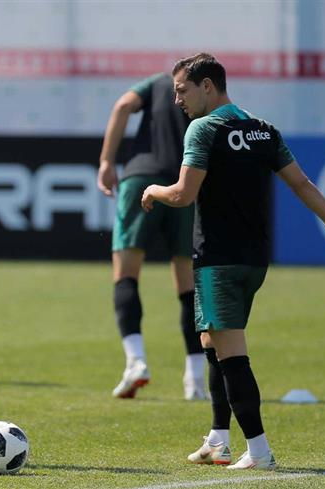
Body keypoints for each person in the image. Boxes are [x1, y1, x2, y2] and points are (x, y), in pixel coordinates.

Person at [141, 53, 325, 470]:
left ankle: (259, 450)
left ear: (207, 86)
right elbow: (301, 183)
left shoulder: (203, 129)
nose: (177, 100)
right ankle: (218, 439)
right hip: (254, 260)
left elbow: (183, 194)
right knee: (211, 341)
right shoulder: (264, 130)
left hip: (218, 259)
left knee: (231, 354)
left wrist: (153, 190)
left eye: (182, 90)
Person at [98, 73, 206, 400]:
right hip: (183, 182)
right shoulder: (205, 90)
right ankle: (195, 379)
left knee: (126, 273)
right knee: (187, 283)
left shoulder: (157, 83)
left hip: (140, 177)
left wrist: (106, 161)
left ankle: (136, 362)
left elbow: (123, 105)